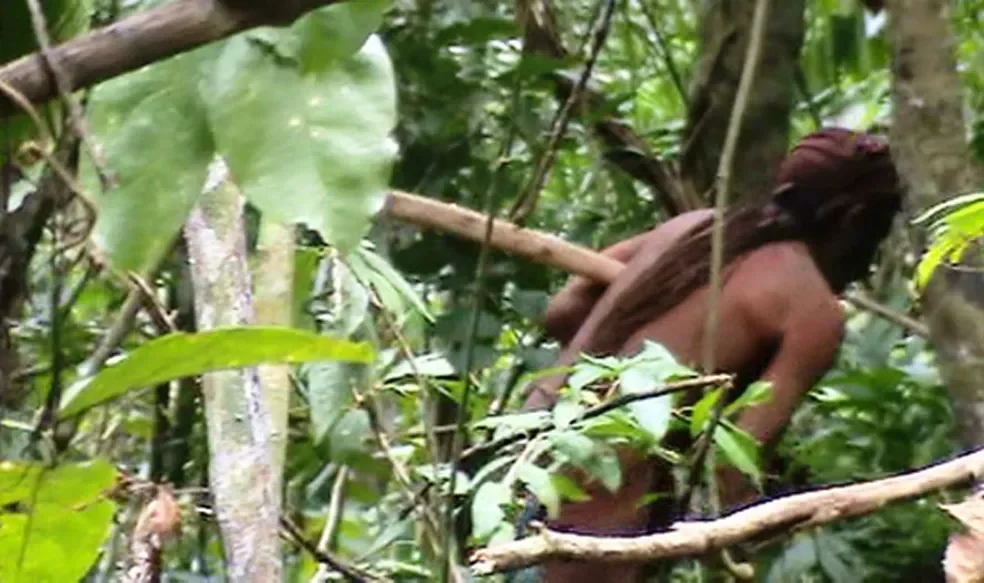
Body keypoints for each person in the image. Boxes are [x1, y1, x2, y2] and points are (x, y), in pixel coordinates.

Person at [522, 127, 904, 582]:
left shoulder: (694, 226)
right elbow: (729, 474)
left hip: (520, 459)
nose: (870, 264)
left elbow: (562, 310)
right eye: (876, 237)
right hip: (594, 526)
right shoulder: (813, 312)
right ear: (851, 218)